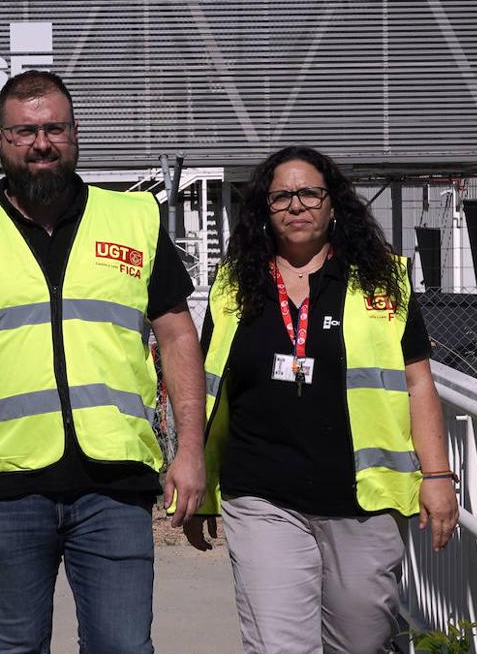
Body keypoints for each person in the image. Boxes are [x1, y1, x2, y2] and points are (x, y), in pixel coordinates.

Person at [0, 70, 207, 653]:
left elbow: (178, 338)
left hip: (114, 486)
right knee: (15, 649)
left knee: (122, 647)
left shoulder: (133, 219)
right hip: (4, 488)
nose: (41, 143)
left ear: (75, 132)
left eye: (54, 129)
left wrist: (189, 451)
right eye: (24, 131)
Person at [186, 145, 459, 654]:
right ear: (262, 210)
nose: (296, 205)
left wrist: (438, 476)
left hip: (362, 499)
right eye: (281, 196)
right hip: (261, 495)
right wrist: (204, 488)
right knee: (279, 645)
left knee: (361, 639)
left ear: (333, 203)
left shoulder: (385, 281)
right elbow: (211, 393)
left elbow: (419, 382)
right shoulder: (231, 286)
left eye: (309, 193)